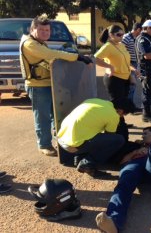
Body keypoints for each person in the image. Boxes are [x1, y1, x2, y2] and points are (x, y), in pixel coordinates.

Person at [19, 16, 93, 157]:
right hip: (37, 86)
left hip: (49, 83)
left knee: (56, 114)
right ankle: (44, 145)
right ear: (33, 29)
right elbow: (51, 54)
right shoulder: (30, 44)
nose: (45, 33)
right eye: (41, 30)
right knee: (43, 117)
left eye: (47, 30)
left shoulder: (39, 43)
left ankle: (62, 140)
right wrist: (77, 57)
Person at [96, 126, 151, 233]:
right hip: (133, 166)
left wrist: (148, 148)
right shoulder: (137, 146)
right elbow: (123, 162)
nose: (142, 136)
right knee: (123, 185)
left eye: (145, 133)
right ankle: (113, 222)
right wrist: (135, 151)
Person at [57, 98, 132, 176]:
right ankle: (87, 163)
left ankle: (79, 157)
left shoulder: (94, 101)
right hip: (73, 146)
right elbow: (109, 136)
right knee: (118, 140)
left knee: (91, 134)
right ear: (120, 111)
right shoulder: (114, 115)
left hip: (61, 139)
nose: (121, 117)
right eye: (123, 115)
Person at [95, 25, 135, 112]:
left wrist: (132, 72)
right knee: (117, 105)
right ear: (111, 35)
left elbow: (126, 61)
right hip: (114, 79)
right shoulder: (108, 46)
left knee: (122, 105)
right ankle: (117, 124)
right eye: (118, 34)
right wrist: (109, 66)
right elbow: (95, 59)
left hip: (125, 79)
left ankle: (121, 123)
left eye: (122, 34)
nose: (121, 37)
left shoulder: (121, 45)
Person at [121, 23, 143, 110]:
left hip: (134, 63)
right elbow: (121, 49)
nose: (141, 33)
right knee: (131, 85)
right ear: (138, 29)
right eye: (140, 31)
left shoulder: (135, 38)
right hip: (129, 64)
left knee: (132, 86)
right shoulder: (126, 37)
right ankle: (129, 107)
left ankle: (129, 106)